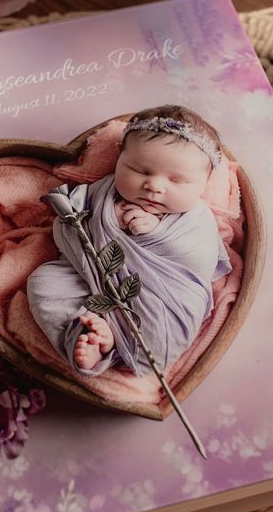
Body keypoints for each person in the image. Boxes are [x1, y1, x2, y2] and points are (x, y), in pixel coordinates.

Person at [27, 105, 232, 376]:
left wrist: (155, 233)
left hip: (160, 294)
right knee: (44, 284)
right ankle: (89, 333)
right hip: (88, 279)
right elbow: (66, 231)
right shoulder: (103, 192)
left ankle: (110, 337)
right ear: (119, 159)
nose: (155, 186)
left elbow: (199, 263)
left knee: (159, 330)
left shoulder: (196, 218)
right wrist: (106, 219)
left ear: (203, 184)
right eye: (139, 170)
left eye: (178, 181)